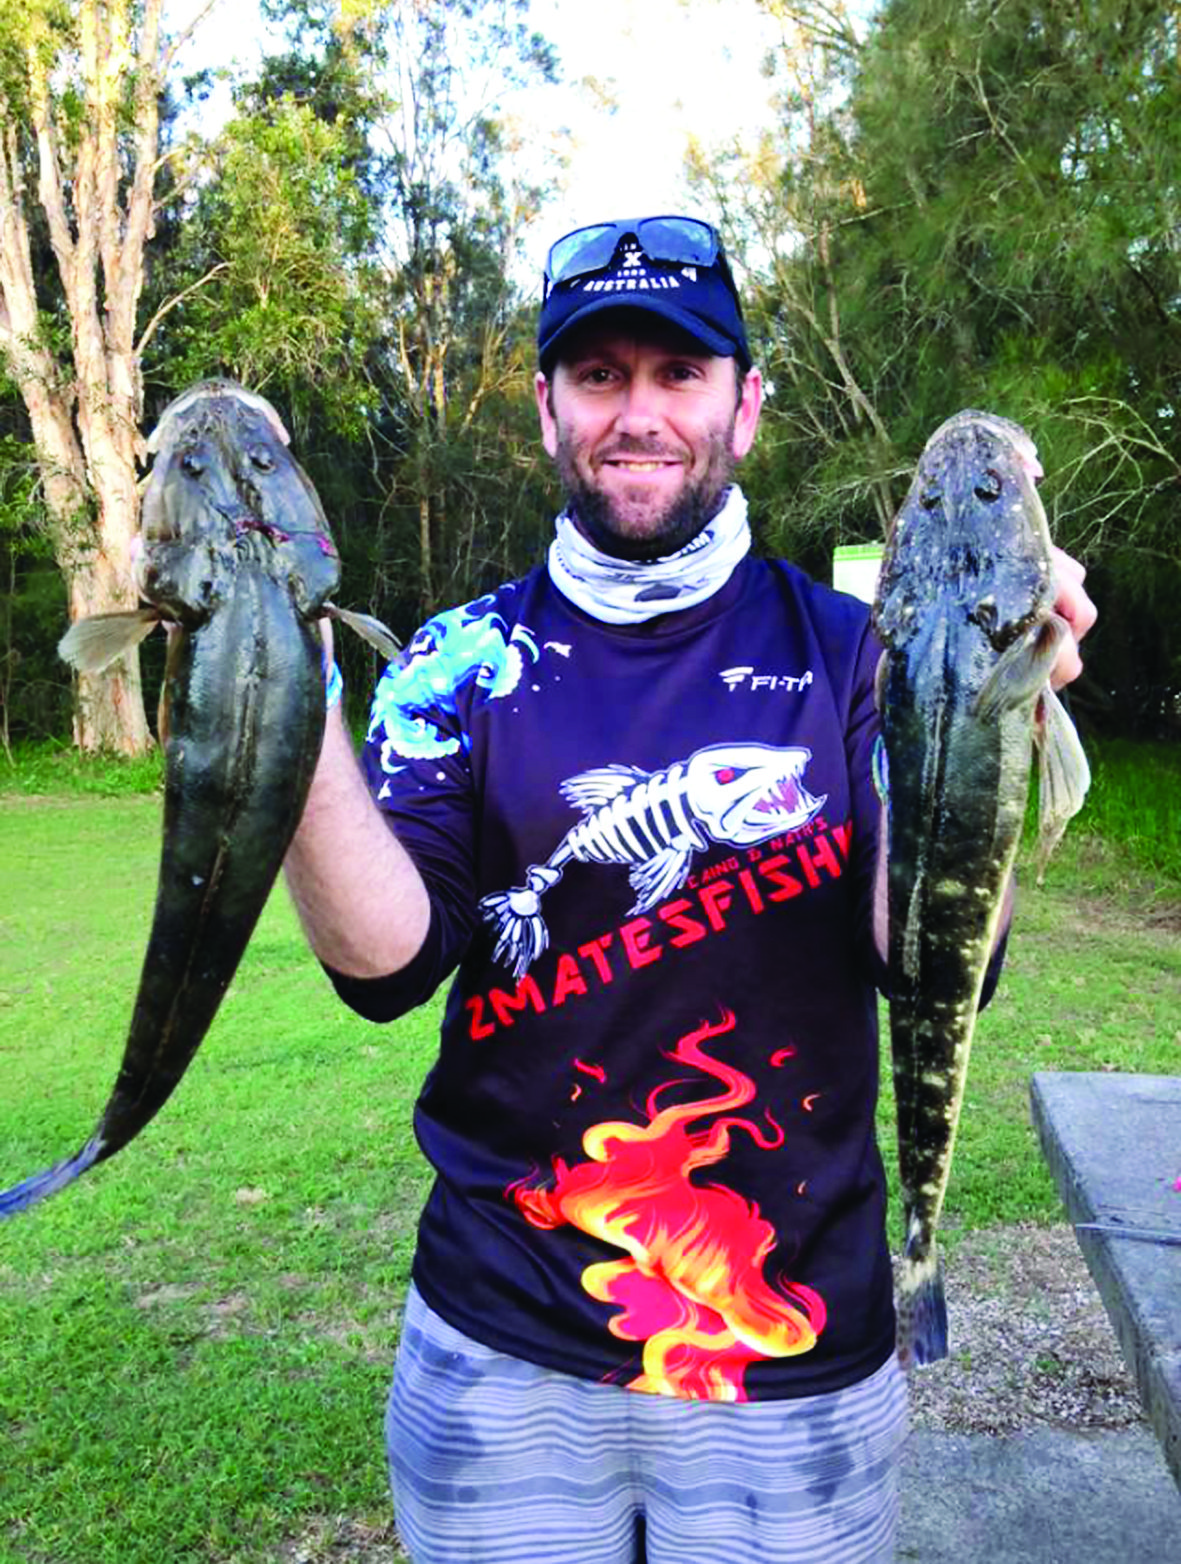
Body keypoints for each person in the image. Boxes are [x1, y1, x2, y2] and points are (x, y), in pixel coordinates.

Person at [283, 214, 1096, 1564]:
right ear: (546, 408)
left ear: (747, 402)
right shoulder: (455, 662)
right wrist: (278, 675)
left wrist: (991, 727)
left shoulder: (863, 654)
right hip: (506, 1339)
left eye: (679, 371)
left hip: (793, 1353)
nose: (640, 413)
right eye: (600, 375)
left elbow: (921, 956)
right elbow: (386, 969)